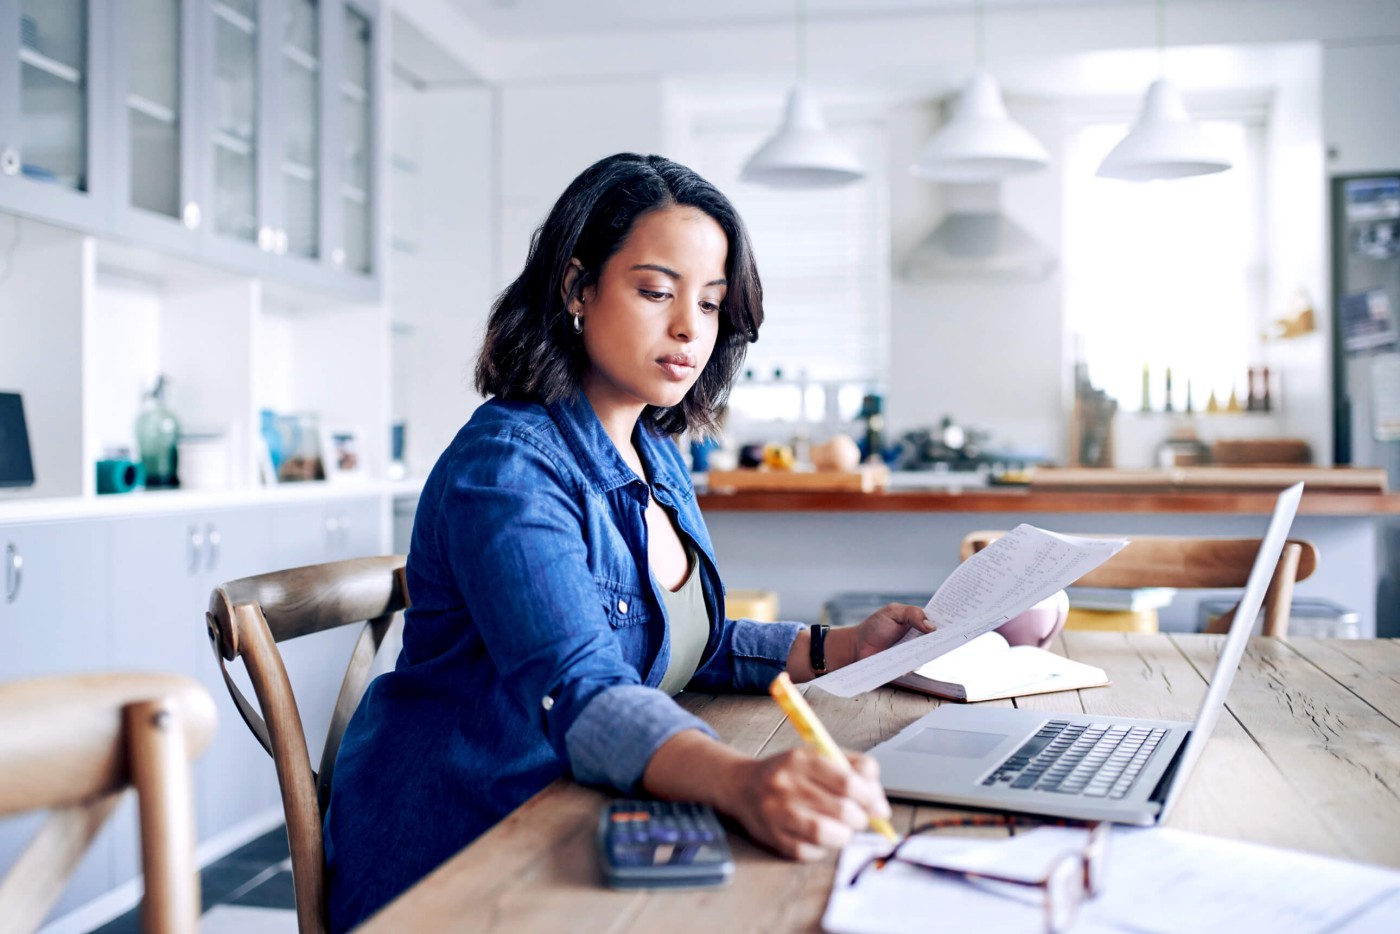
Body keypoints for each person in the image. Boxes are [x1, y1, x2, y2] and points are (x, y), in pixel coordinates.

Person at [322, 152, 931, 930]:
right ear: (577, 287)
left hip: (577, 814)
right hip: (464, 850)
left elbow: (680, 644)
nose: (689, 328)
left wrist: (840, 646)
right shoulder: (507, 468)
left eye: (710, 305)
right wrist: (742, 782)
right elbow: (582, 684)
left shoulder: (657, 453)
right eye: (655, 291)